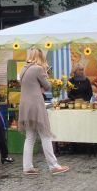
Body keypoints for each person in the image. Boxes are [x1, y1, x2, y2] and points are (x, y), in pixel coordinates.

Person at [19, 47, 69, 176]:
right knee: (45, 135)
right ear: (40, 57)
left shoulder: (24, 69)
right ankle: (54, 166)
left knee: (29, 137)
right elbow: (47, 86)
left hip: (25, 105)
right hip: (36, 105)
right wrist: (45, 75)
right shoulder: (38, 69)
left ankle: (27, 167)